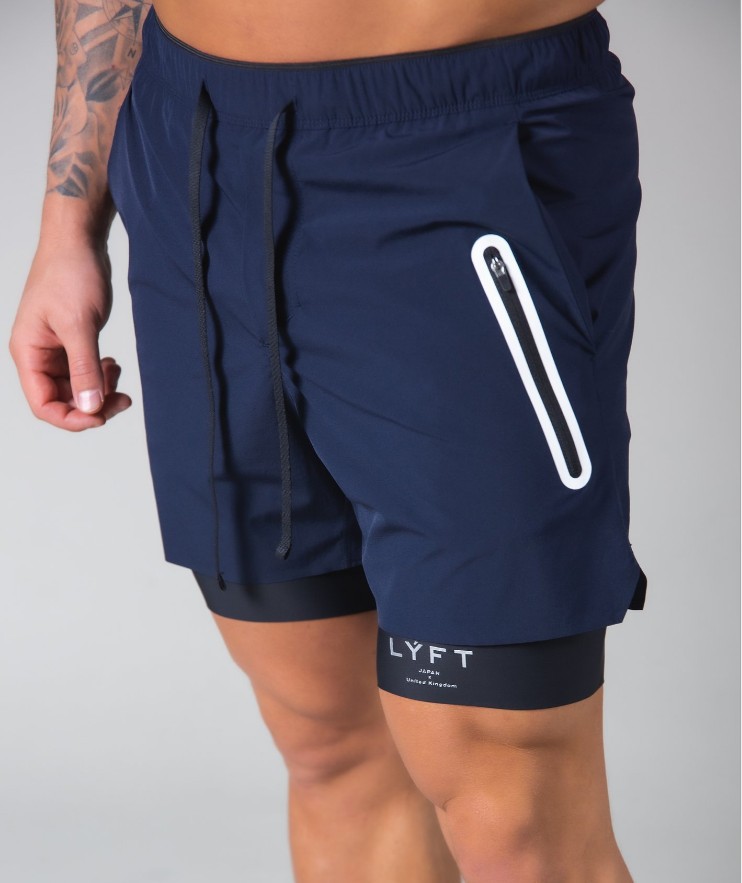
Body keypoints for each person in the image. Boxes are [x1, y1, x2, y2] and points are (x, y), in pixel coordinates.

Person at [9, 1, 649, 880]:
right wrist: (68, 219)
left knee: (516, 812)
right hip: (191, 146)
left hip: (455, 149)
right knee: (333, 747)